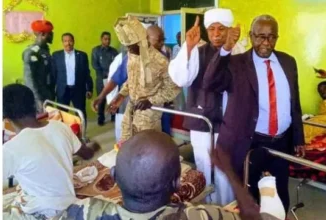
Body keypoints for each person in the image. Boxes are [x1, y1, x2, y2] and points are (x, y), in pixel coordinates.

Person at [203, 14, 305, 213]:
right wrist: (225, 49)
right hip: (251, 142)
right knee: (250, 198)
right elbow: (210, 82)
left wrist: (298, 137)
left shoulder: (288, 62)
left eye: (271, 37)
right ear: (251, 36)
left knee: (281, 194)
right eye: (260, 37)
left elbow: (295, 102)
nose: (266, 43)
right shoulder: (236, 63)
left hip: (281, 142)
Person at [63, 130, 284, 220]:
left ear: (112, 175)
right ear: (178, 183)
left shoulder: (83, 211)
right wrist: (231, 176)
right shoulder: (198, 216)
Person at [168, 8, 246, 206]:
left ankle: (226, 210)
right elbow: (180, 78)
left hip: (229, 123)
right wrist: (188, 46)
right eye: (211, 29)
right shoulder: (198, 52)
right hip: (202, 122)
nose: (216, 34)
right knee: (203, 166)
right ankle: (206, 208)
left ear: (231, 30)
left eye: (221, 29)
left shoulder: (239, 53)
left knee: (226, 169)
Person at [2, 84, 98, 219]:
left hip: (43, 212)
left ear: (5, 118)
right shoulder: (61, 127)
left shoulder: (11, 149)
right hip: (69, 203)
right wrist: (94, 146)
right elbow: (87, 154)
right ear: (34, 104)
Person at [109, 15, 180, 142]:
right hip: (131, 109)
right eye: (127, 46)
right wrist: (121, 95)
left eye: (131, 46)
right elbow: (132, 79)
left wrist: (151, 100)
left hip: (149, 115)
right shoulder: (132, 54)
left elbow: (174, 88)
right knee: (126, 146)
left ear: (143, 40)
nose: (129, 50)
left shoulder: (159, 60)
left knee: (146, 150)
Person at [52, 33, 93, 123]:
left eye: (70, 41)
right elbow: (53, 74)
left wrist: (89, 89)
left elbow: (87, 73)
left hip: (78, 89)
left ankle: (82, 134)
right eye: (65, 41)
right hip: (63, 90)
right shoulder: (56, 56)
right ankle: (64, 134)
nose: (68, 43)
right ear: (62, 42)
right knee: (62, 114)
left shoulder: (82, 55)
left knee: (80, 113)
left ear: (73, 42)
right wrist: (52, 91)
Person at [22, 19, 55, 112]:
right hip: (39, 95)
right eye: (50, 33)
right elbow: (29, 79)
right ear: (43, 34)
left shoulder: (44, 50)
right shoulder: (31, 52)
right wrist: (37, 99)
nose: (52, 35)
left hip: (47, 93)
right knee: (40, 121)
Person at [91, 31, 119, 126]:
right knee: (101, 98)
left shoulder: (114, 51)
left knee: (113, 97)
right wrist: (105, 73)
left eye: (109, 39)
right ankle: (100, 117)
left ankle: (113, 115)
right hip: (100, 78)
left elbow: (117, 65)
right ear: (101, 39)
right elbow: (95, 65)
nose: (107, 41)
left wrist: (111, 74)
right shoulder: (96, 51)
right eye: (105, 39)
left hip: (112, 79)